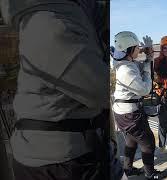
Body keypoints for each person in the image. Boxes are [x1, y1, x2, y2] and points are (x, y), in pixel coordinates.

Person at [1, 0, 125, 179]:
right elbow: (100, 90)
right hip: (61, 162)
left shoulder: (69, 15)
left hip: (70, 153)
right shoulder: (49, 23)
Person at [112, 31, 167, 180]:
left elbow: (136, 62)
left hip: (124, 112)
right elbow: (145, 89)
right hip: (130, 114)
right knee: (148, 143)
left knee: (131, 141)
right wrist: (148, 60)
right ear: (129, 50)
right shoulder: (125, 70)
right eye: (137, 48)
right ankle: (150, 174)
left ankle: (128, 169)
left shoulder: (123, 62)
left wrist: (147, 54)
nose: (139, 49)